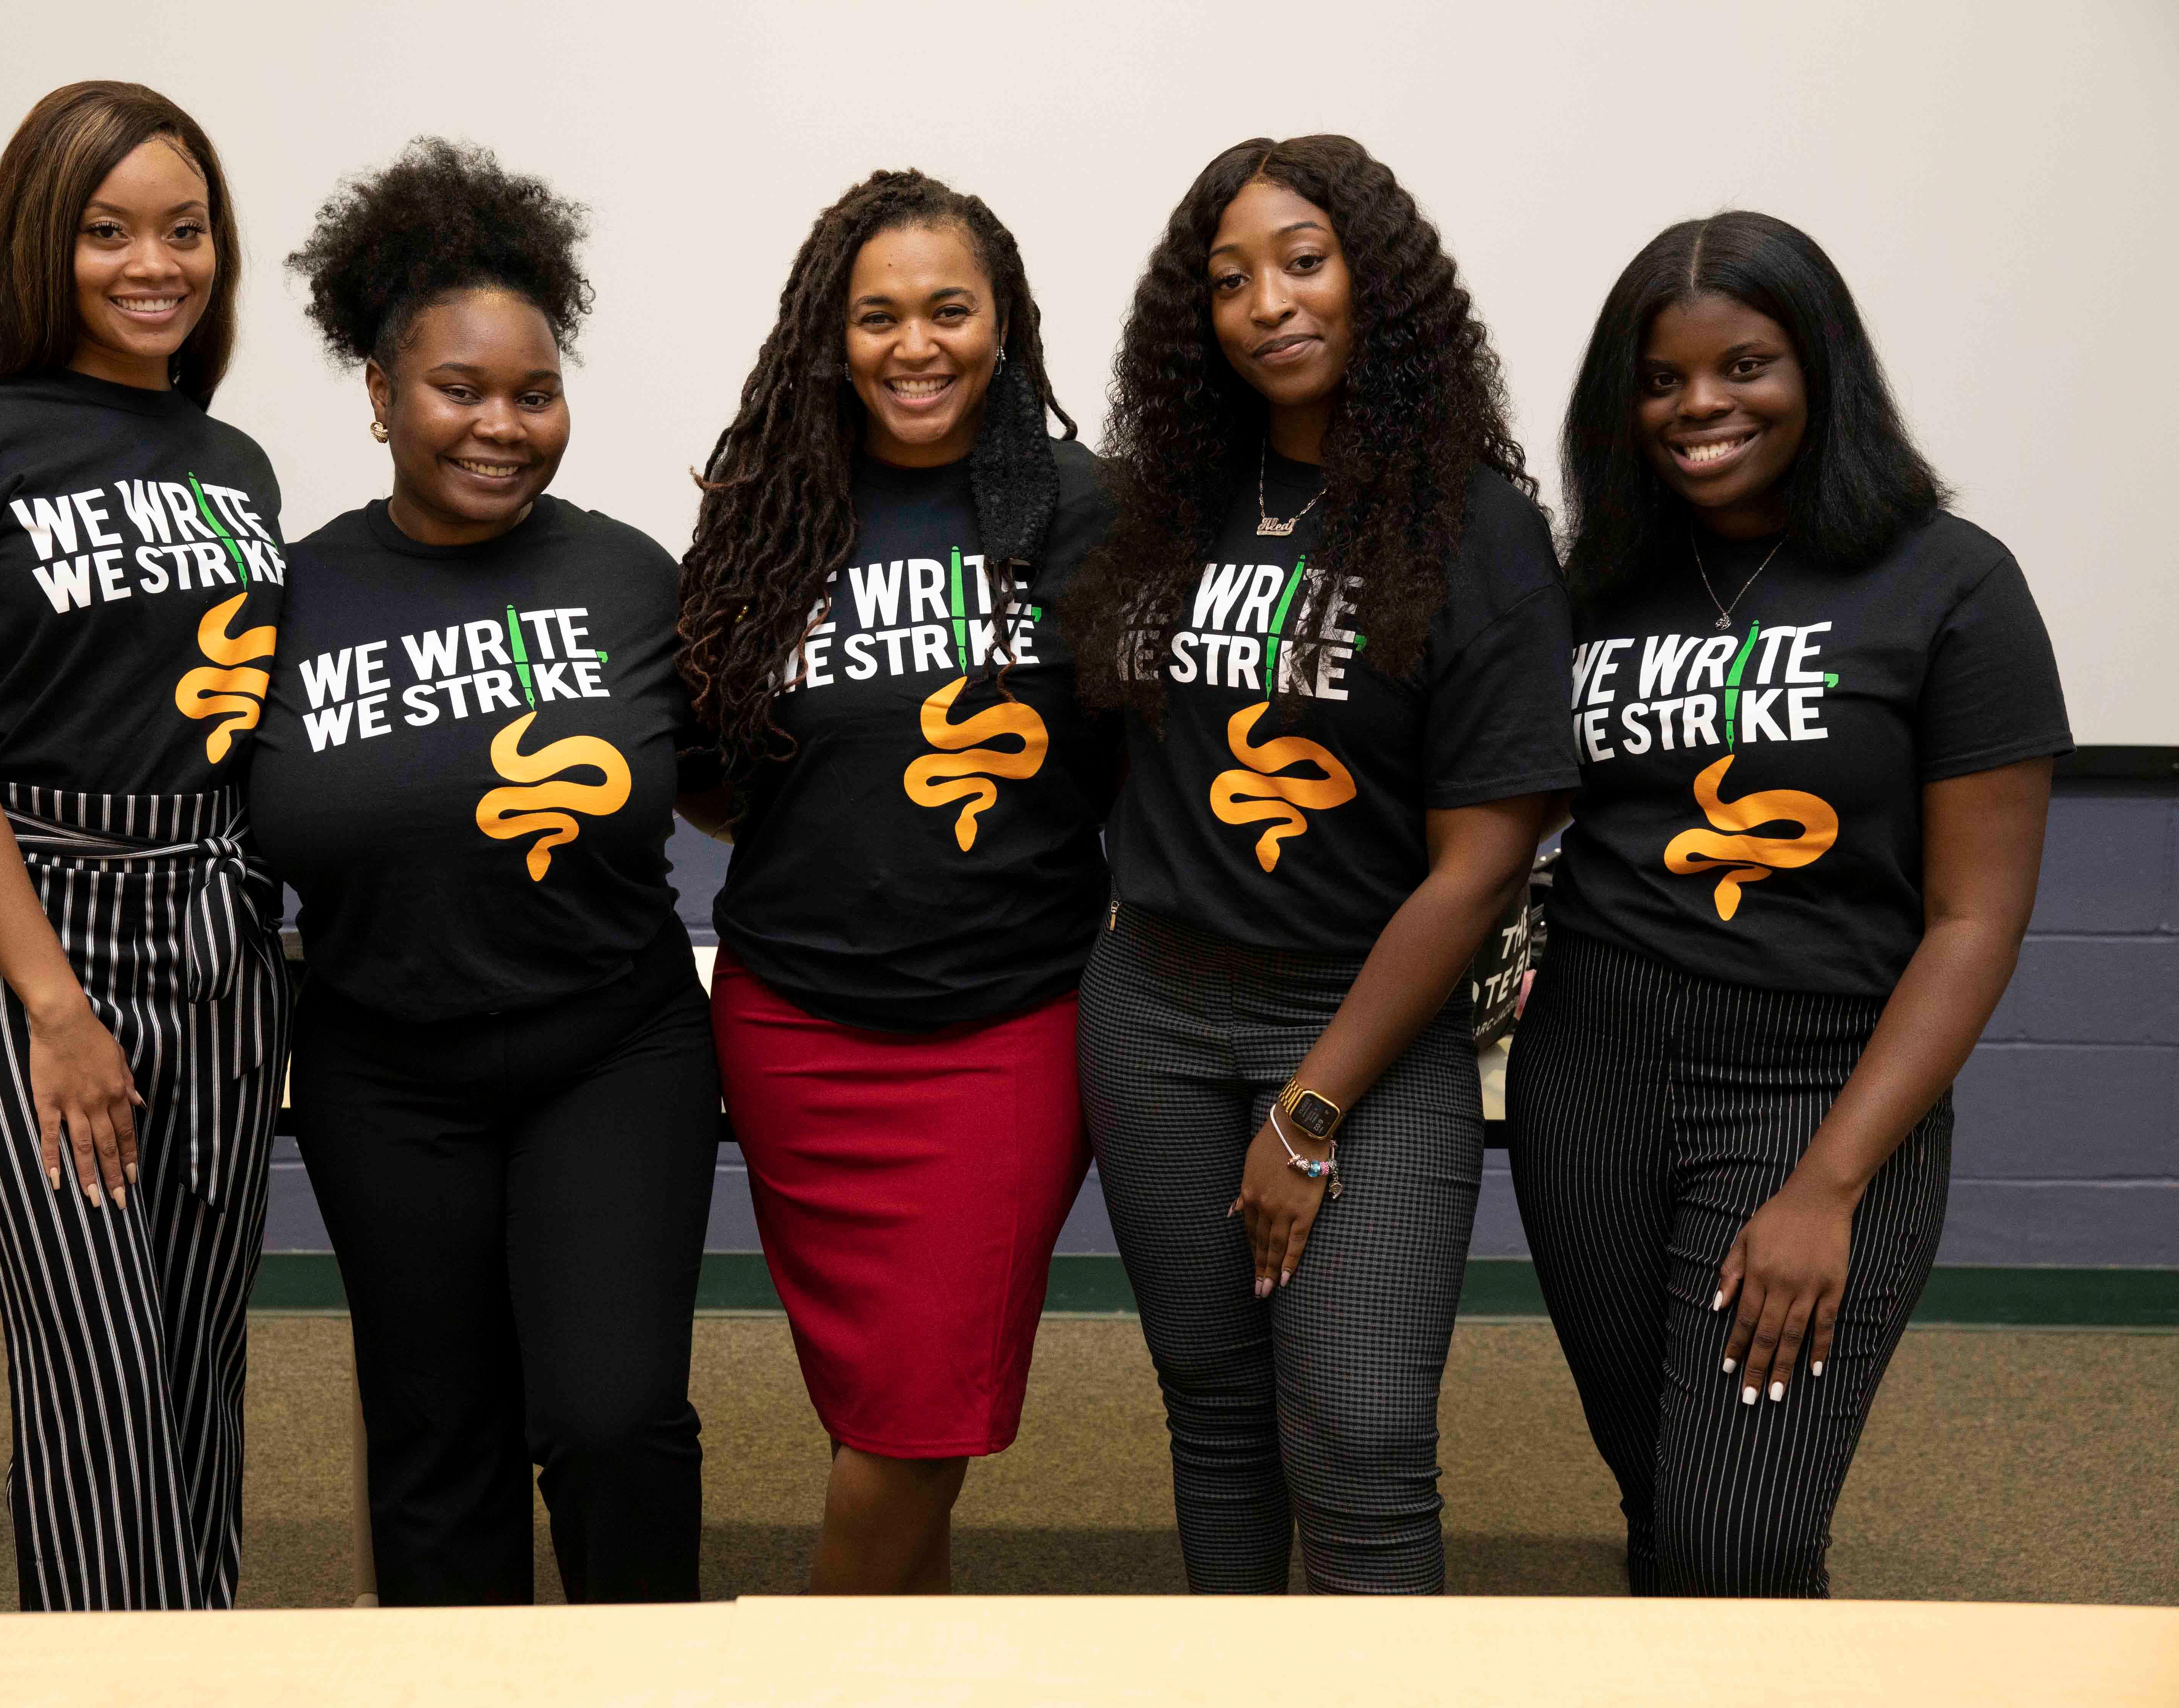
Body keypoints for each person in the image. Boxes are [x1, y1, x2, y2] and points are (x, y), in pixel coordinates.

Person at [1506, 210, 2069, 1597]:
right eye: (1660, 380)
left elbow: (1974, 922)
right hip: (1592, 1072)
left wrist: (1828, 1184)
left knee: (1738, 1535)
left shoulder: (1952, 584)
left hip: (1816, 1084)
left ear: (1820, 371)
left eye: (1745, 365)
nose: (1701, 405)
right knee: (1659, 1490)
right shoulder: (1598, 589)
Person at [1062, 135, 1577, 1595]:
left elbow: (1482, 865)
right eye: (1229, 281)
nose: (1269, 304)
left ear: (1377, 284)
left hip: (1364, 1025)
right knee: (1217, 1417)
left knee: (1355, 1437)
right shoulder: (1158, 505)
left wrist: (1309, 1114)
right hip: (1152, 1009)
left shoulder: (1475, 526)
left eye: (1304, 261)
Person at [0, 81, 288, 1609]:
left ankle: (193, 1648)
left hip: (218, 930)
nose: (153, 263)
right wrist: (57, 1006)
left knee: (191, 1359)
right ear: (45, 242)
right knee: (96, 1362)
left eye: (183, 228)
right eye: (107, 232)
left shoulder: (235, 463)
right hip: (40, 932)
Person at [251, 140, 720, 1606]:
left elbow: (732, 788)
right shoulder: (285, 593)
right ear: (384, 395)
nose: (502, 427)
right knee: (437, 1444)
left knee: (611, 1422)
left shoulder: (635, 577)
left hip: (613, 1050)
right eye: (462, 390)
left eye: (537, 392)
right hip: (384, 1073)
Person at [677, 170, 1114, 1594]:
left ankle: (806, 1662)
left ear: (1006, 326)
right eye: (879, 316)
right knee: (876, 1407)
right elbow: (704, 758)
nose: (914, 345)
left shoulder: (1087, 515)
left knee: (921, 1420)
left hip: (1007, 1029)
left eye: (948, 311)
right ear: (831, 334)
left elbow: (1138, 756)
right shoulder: (770, 514)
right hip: (797, 1026)